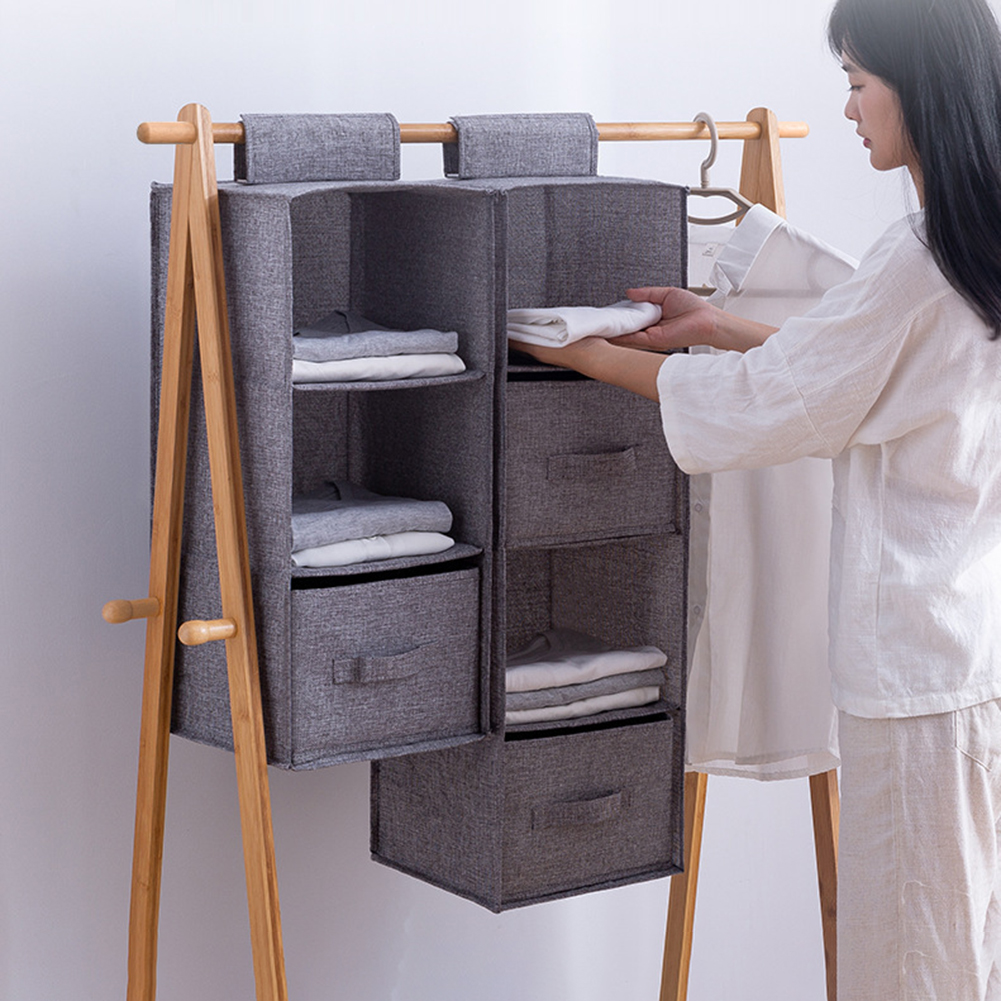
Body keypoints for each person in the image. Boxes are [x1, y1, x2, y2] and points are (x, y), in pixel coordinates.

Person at [511, 0, 1001, 997]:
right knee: (954, 950)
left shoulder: (917, 257)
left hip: (911, 680)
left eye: (858, 83)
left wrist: (574, 349)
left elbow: (764, 408)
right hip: (967, 655)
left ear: (919, 89)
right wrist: (718, 323)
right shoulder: (970, 250)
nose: (849, 109)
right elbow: (868, 375)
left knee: (910, 967)